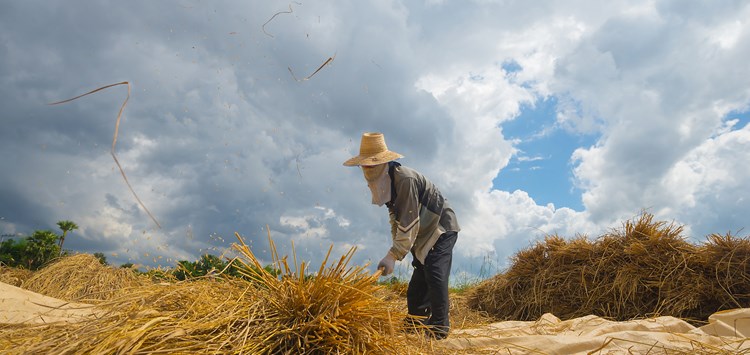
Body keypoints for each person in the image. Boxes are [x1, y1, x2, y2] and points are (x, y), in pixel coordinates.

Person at [343, 132, 460, 339]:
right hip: (420, 232)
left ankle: (439, 329)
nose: (367, 168)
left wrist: (394, 254)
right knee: (417, 286)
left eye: (371, 164)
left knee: (435, 273)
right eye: (364, 165)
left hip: (440, 227)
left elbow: (409, 221)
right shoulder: (387, 181)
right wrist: (393, 253)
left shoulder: (404, 179)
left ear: (383, 162)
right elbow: (396, 218)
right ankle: (416, 322)